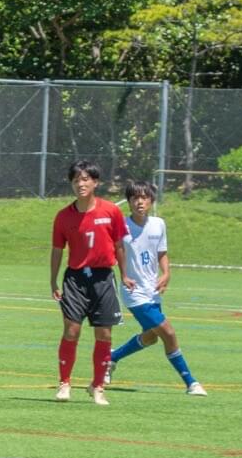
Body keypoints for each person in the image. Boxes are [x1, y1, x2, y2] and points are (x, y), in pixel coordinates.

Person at [108, 182, 207, 396]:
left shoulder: (158, 224)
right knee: (168, 333)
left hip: (152, 290)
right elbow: (118, 251)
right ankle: (191, 383)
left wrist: (166, 273)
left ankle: (112, 358)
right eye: (135, 198)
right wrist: (123, 275)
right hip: (134, 292)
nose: (139, 202)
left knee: (151, 337)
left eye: (144, 198)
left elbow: (161, 253)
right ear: (129, 202)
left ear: (151, 201)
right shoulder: (121, 225)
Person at [48, 159, 131, 405]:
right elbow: (57, 250)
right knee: (71, 330)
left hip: (103, 278)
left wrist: (125, 275)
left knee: (104, 333)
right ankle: (64, 383)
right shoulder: (63, 216)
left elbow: (119, 245)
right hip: (75, 279)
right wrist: (53, 281)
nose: (80, 184)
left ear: (95, 182)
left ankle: (98, 386)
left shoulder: (111, 211)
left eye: (85, 179)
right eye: (76, 180)